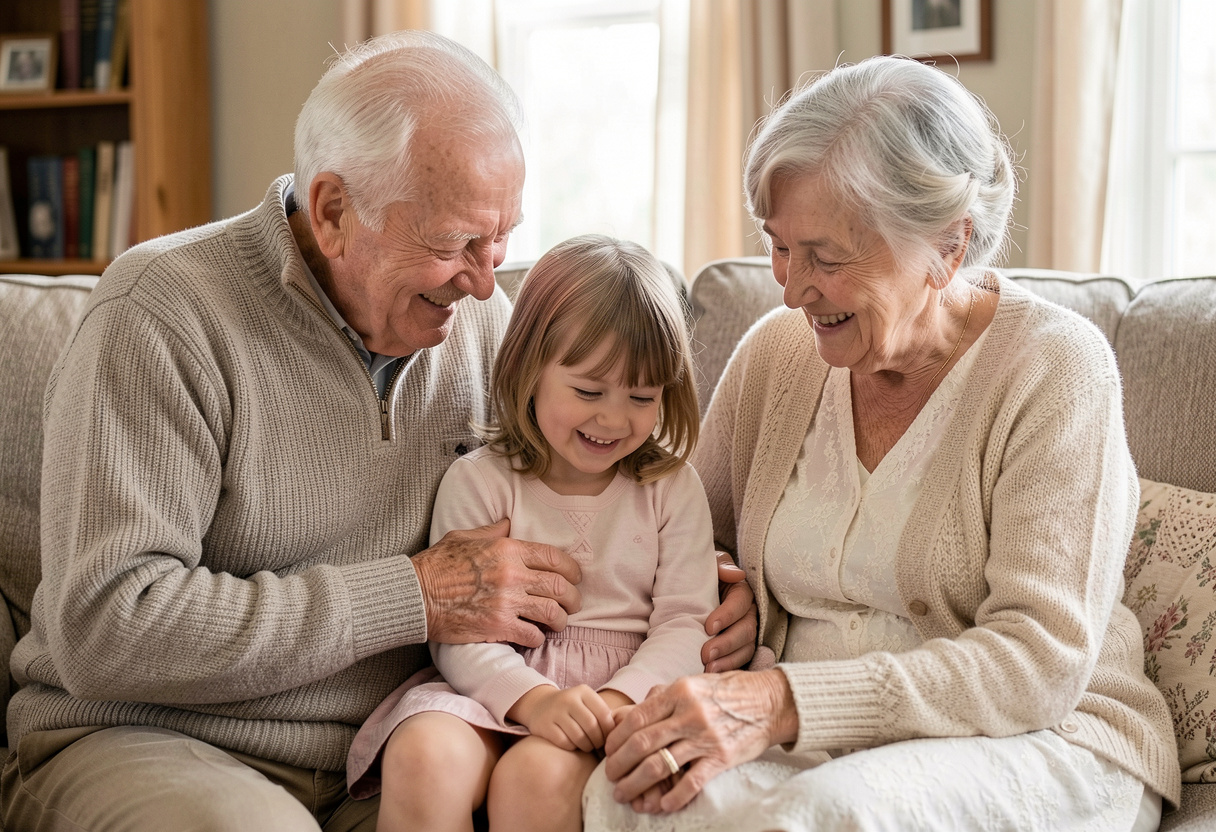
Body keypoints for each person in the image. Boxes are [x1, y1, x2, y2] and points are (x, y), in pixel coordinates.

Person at [1, 32, 754, 831]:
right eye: (456, 242)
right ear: (332, 211)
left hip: (395, 751)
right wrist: (414, 596)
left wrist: (705, 592)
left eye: (501, 236)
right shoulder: (161, 315)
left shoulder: (488, 328)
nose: (484, 275)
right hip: (159, 743)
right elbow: (105, 627)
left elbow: (583, 492)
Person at [588, 55, 1182, 832]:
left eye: (827, 256)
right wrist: (724, 582)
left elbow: (1038, 664)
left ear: (948, 246)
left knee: (827, 817)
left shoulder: (1055, 368)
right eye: (779, 245)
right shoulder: (778, 354)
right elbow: (683, 532)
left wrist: (782, 702)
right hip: (816, 743)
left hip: (1039, 739)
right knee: (626, 792)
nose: (792, 285)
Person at [347, 234, 720, 831]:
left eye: (642, 396)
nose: (613, 418)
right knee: (422, 755)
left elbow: (686, 621)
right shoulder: (481, 481)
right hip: (492, 682)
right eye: (588, 391)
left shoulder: (670, 489)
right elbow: (456, 625)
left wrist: (620, 702)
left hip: (618, 697)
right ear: (530, 368)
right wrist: (532, 698)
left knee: (536, 779)